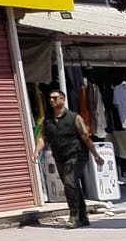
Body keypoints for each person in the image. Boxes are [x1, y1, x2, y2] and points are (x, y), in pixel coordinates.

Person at [35, 89, 95, 227]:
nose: (52, 100)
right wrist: (37, 152)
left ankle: (74, 216)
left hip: (76, 154)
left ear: (63, 99)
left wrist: (95, 154)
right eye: (50, 98)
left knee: (69, 183)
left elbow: (85, 136)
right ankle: (83, 216)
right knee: (71, 184)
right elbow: (43, 137)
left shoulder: (74, 117)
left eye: (55, 98)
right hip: (60, 156)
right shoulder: (47, 120)